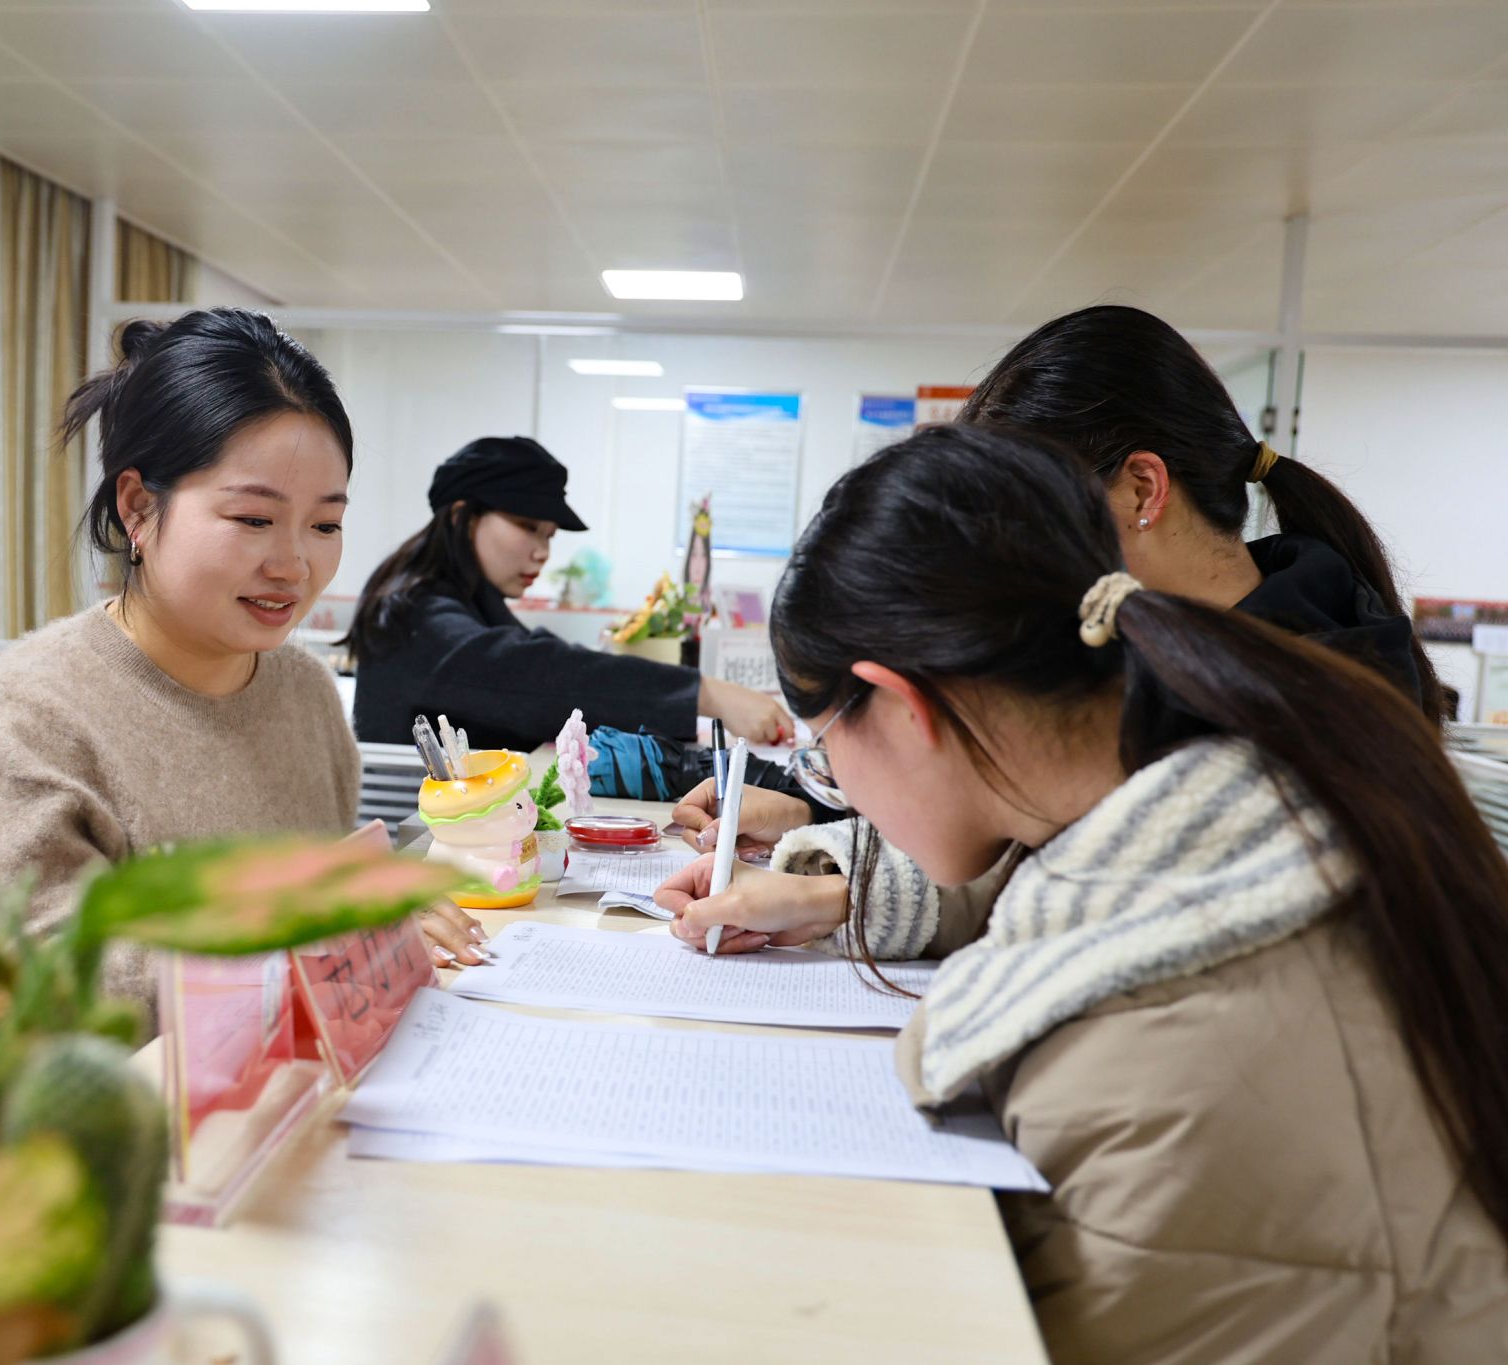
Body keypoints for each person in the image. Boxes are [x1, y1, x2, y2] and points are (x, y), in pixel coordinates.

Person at [696, 424, 1508, 1358]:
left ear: (905, 706)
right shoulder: (1235, 797)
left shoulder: (1156, 1064)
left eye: (823, 745)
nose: (829, 777)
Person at [664, 303, 1444, 944]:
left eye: (1039, 513)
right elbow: (1049, 834)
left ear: (1142, 490)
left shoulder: (1297, 706)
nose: (1008, 562)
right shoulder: (1164, 653)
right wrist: (818, 833)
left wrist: (840, 884)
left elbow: (1121, 878)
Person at [0, 308, 491, 1019]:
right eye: (253, 519)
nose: (294, 564)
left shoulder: (307, 694)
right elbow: (30, 976)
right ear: (138, 507)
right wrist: (311, 943)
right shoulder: (26, 719)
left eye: (325, 524)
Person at [343, 434, 791, 753]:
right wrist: (705, 694)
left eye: (550, 535)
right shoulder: (414, 614)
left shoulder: (469, 601)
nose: (542, 552)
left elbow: (542, 659)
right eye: (528, 527)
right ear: (464, 515)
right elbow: (533, 674)